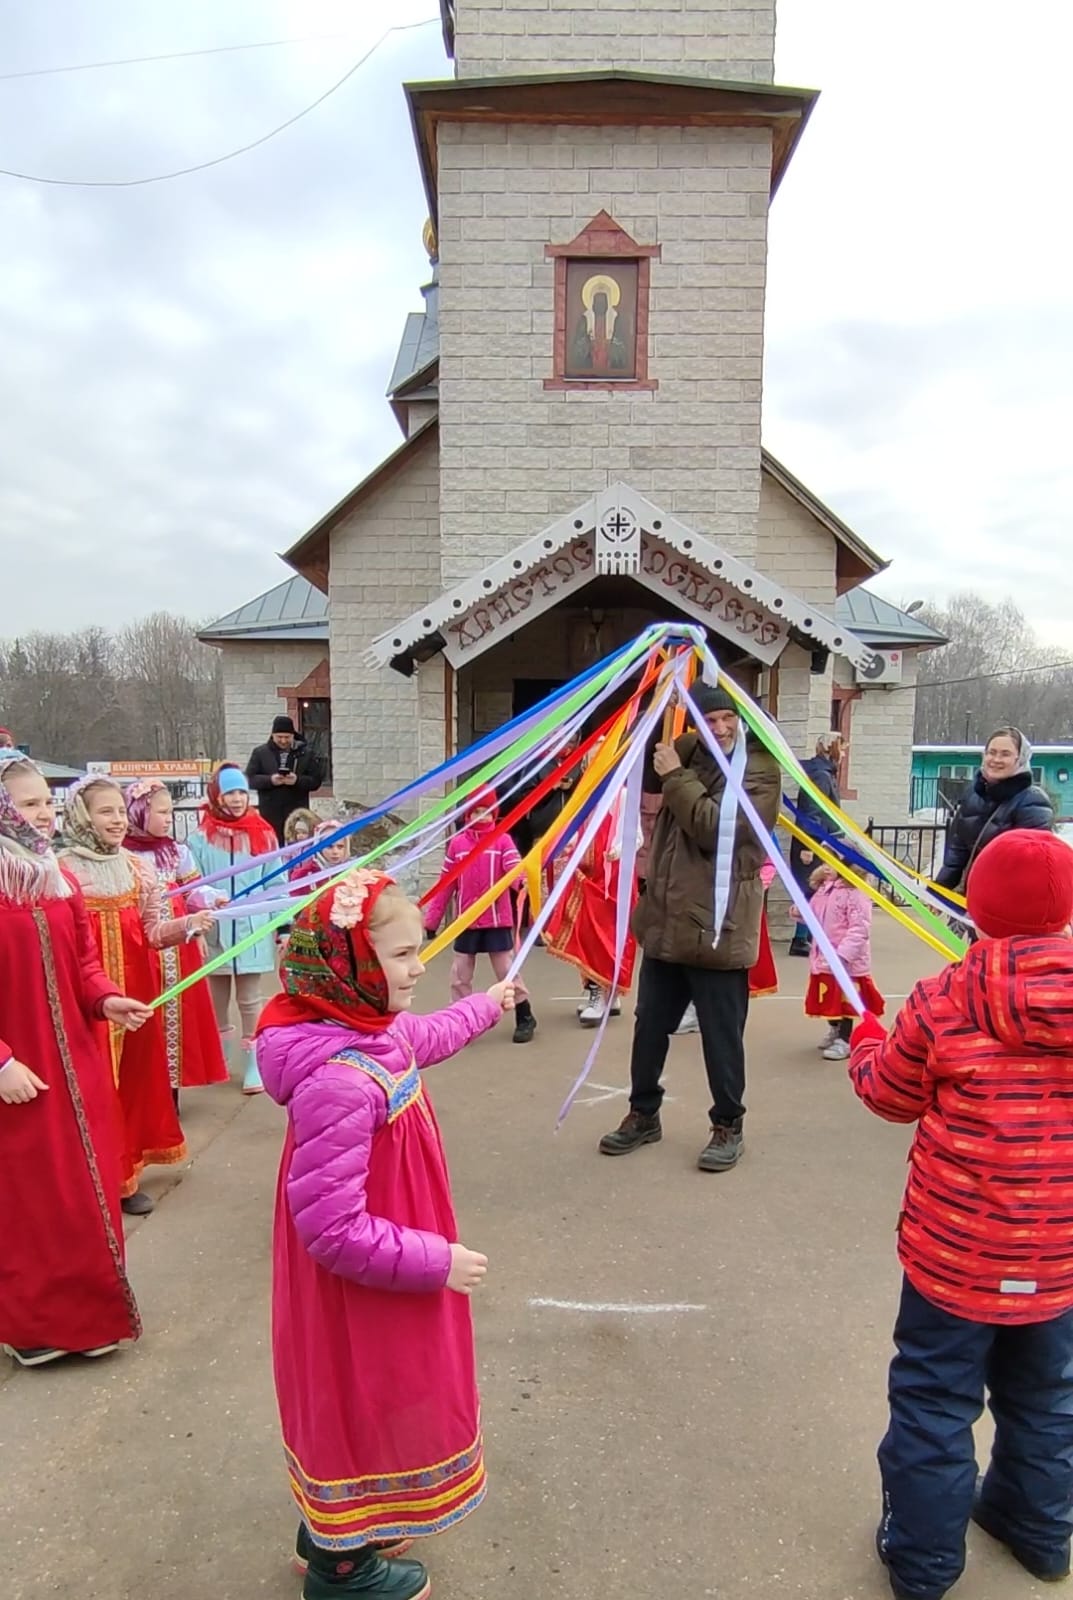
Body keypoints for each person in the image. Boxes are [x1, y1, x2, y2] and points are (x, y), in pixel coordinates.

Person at [256, 868, 515, 1600]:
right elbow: (332, 1227)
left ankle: (341, 1525)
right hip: (362, 1276)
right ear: (351, 965)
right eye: (401, 955)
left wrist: (485, 1005)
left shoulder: (366, 1025)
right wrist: (437, 1261)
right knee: (359, 1399)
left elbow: (424, 1035)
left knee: (370, 1397)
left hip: (381, 1261)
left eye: (418, 950)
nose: (419, 966)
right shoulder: (337, 1078)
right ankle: (341, 1570)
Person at [849, 828, 1073, 1600]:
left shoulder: (942, 998)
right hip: (1056, 1255)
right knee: (1046, 1395)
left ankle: (922, 1563)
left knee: (932, 1401)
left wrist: (866, 1043)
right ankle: (1039, 1530)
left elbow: (888, 1095)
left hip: (953, 1257)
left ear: (973, 908)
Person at [0, 757, 149, 1367]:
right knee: (31, 1200)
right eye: (28, 804)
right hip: (20, 1073)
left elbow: (83, 961)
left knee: (84, 1195)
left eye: (46, 802)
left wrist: (106, 998)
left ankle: (89, 1319)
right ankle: (32, 1325)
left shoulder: (57, 877)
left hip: (77, 1065)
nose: (43, 814)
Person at [599, 684, 781, 1172]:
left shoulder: (759, 768)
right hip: (666, 920)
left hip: (718, 925)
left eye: (726, 718)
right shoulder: (683, 749)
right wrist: (656, 706)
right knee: (649, 1027)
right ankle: (643, 1114)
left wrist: (675, 775)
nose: (719, 729)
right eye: (708, 720)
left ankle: (728, 1124)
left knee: (721, 1036)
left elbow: (715, 827)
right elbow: (643, 771)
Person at [58, 777, 192, 1217]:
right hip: (85, 998)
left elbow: (152, 932)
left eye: (120, 811)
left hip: (135, 995)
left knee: (132, 1083)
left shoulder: (138, 868)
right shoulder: (60, 871)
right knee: (91, 1084)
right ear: (82, 816)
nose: (116, 820)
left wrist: (188, 926)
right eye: (105, 812)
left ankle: (124, 1174)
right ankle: (90, 1178)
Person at [123, 779, 229, 1108]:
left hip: (178, 948)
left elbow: (193, 890)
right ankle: (144, 1091)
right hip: (140, 948)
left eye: (170, 812)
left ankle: (171, 1092)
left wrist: (212, 899)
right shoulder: (123, 855)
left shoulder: (176, 852)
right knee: (145, 1011)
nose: (168, 819)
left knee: (176, 1015)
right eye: (161, 812)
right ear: (138, 812)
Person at [186, 764, 279, 1094]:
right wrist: (198, 925)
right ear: (217, 796)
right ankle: (220, 1055)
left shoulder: (264, 834)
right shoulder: (199, 839)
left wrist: (280, 926)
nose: (237, 799)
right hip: (215, 931)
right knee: (216, 999)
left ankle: (254, 1062)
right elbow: (190, 885)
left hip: (252, 931)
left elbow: (276, 883)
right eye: (229, 793)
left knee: (250, 998)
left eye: (241, 792)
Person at [423, 789, 536, 1044]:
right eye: (476, 811)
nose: (481, 816)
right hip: (467, 921)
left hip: (497, 920)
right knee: (460, 974)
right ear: (468, 814)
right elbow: (446, 883)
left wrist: (522, 883)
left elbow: (514, 869)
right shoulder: (457, 845)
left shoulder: (502, 841)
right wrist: (432, 920)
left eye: (487, 811)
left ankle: (525, 1015)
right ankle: (460, 1022)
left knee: (506, 970)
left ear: (494, 813)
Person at [544, 756, 641, 1027]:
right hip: (588, 878)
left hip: (614, 881)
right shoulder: (586, 797)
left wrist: (618, 851)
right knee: (588, 935)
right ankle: (599, 991)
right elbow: (579, 830)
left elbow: (636, 836)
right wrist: (568, 844)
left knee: (609, 937)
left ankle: (606, 993)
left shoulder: (623, 796)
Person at [935, 725, 1053, 893]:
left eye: (1005, 754)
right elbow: (958, 850)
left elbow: (1030, 863)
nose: (996, 759)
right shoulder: (973, 794)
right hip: (973, 895)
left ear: (1020, 759)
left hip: (1008, 898)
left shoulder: (1032, 801)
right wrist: (939, 890)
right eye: (992, 752)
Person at [804, 863, 884, 1060]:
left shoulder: (855, 892)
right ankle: (835, 1029)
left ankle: (845, 1039)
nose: (826, 867)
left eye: (833, 863)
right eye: (824, 862)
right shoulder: (824, 888)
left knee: (846, 1001)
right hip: (824, 956)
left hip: (846, 960)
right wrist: (800, 912)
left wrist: (842, 955)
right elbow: (816, 914)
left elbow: (860, 928)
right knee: (829, 998)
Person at [788, 731, 846, 956]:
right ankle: (801, 939)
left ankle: (812, 936)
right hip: (813, 842)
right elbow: (812, 810)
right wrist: (808, 846)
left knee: (818, 888)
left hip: (821, 841)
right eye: (842, 749)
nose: (843, 755)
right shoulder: (820, 775)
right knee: (811, 888)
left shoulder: (824, 773)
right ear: (832, 749)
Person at [246, 715, 324, 846]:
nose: (283, 741)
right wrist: (270, 780)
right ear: (272, 735)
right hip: (270, 813)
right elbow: (249, 779)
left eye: (287, 737)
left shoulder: (305, 753)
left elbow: (316, 781)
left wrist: (297, 781)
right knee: (272, 848)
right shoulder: (260, 753)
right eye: (279, 737)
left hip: (297, 814)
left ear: (293, 735)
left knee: (298, 848)